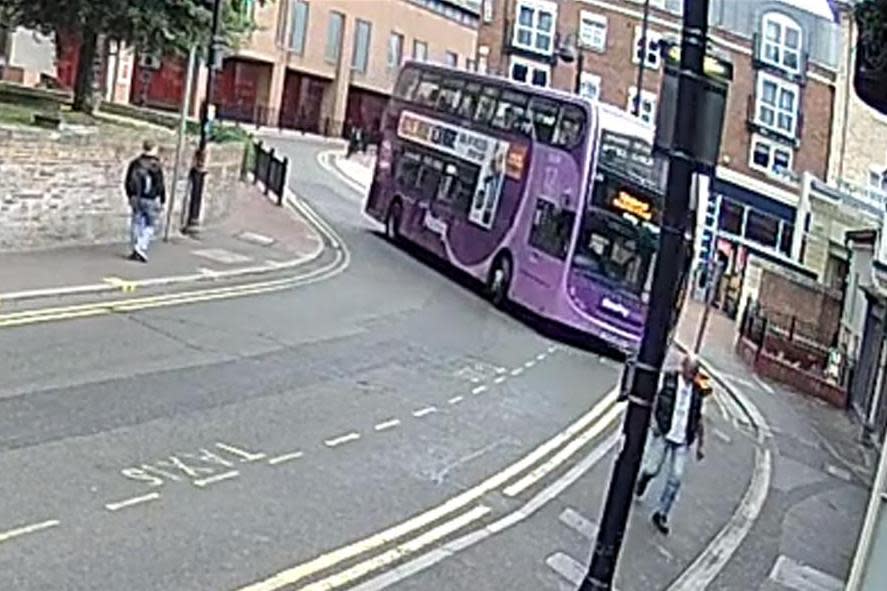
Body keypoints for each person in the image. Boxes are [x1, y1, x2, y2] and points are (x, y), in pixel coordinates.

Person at [635, 354, 707, 535]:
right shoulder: (668, 380)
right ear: (683, 368)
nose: (691, 377)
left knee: (676, 478)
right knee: (652, 469)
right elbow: (653, 400)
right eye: (690, 372)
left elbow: (698, 418)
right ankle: (642, 481)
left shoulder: (697, 392)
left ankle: (661, 514)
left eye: (694, 373)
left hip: (682, 440)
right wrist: (653, 422)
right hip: (664, 432)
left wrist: (700, 445)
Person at [124, 139, 166, 262]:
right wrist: (162, 199)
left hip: (136, 197)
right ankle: (140, 247)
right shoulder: (156, 165)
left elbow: (127, 181)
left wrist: (130, 195)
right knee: (150, 224)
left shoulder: (135, 163)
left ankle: (134, 249)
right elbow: (160, 184)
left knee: (136, 223)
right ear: (154, 149)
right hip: (150, 198)